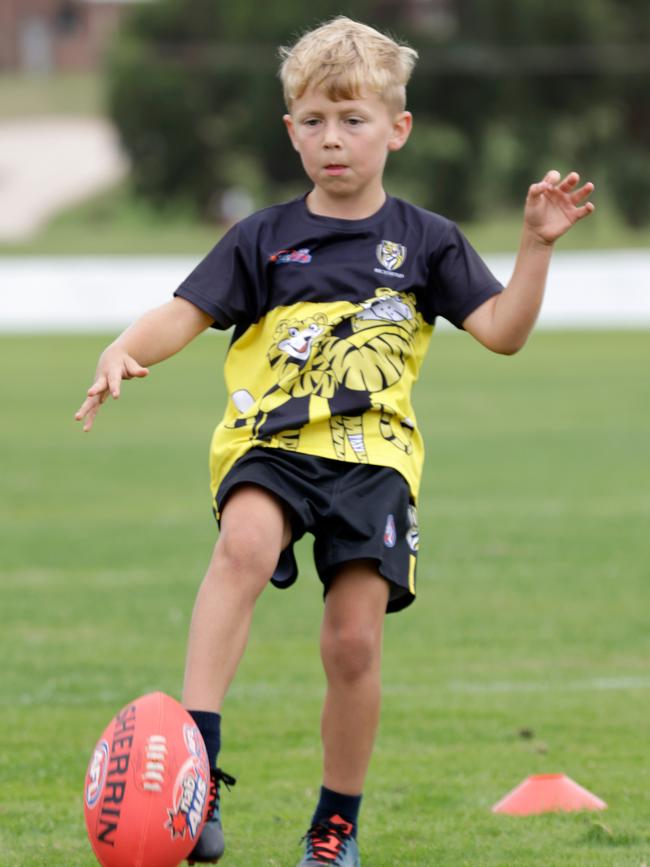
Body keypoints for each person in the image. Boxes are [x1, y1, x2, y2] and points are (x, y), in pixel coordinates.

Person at [75, 16, 594, 867]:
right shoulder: (262, 237)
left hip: (375, 460)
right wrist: (125, 346)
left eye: (353, 120)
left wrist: (534, 246)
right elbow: (187, 309)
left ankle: (335, 825)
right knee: (242, 543)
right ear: (291, 131)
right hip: (270, 443)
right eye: (313, 121)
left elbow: (502, 331)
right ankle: (196, 771)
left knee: (352, 641)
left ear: (398, 127)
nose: (333, 139)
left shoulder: (428, 240)